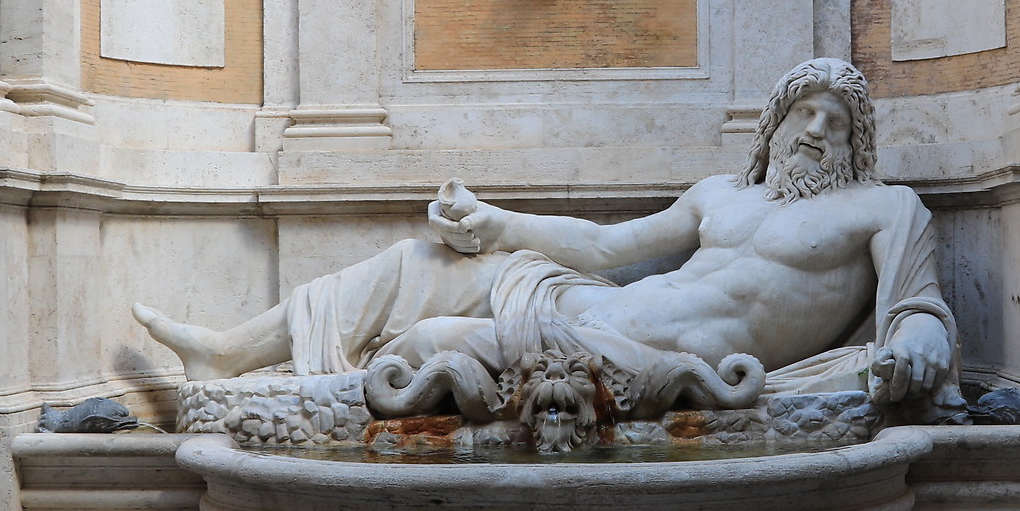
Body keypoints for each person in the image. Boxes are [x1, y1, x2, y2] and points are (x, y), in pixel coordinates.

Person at [136, 58, 956, 405]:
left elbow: (917, 307)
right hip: (591, 302)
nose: (814, 129)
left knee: (428, 343)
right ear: (774, 126)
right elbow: (606, 249)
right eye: (802, 113)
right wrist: (496, 222)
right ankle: (230, 354)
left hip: (652, 361)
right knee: (417, 260)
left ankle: (309, 401)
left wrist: (918, 335)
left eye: (836, 121)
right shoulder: (720, 196)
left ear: (857, 142)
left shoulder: (883, 209)